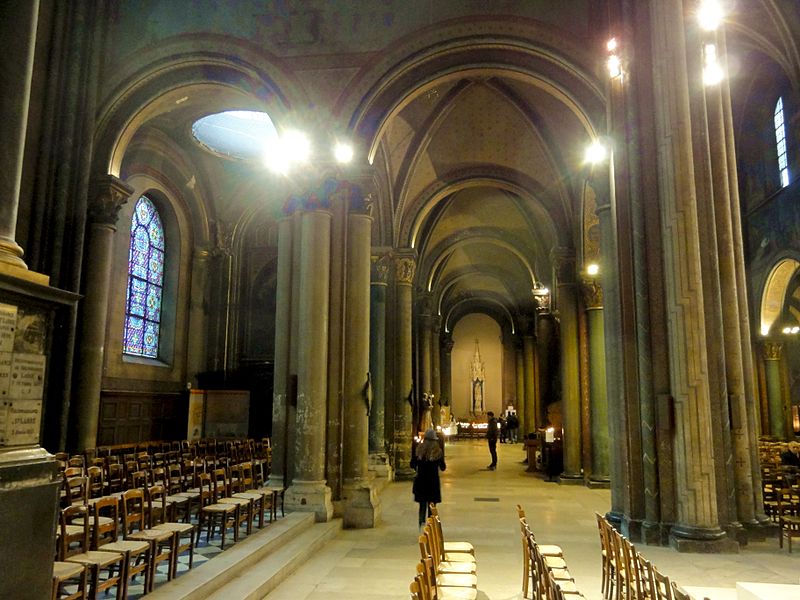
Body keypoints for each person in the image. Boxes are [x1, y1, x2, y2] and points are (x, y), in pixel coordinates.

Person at [411, 428, 446, 527]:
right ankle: (431, 526)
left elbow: (412, 464)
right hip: (433, 482)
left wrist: (419, 466)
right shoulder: (437, 452)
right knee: (432, 505)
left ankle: (421, 524)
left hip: (421, 481)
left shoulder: (419, 450)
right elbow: (443, 467)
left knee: (422, 505)